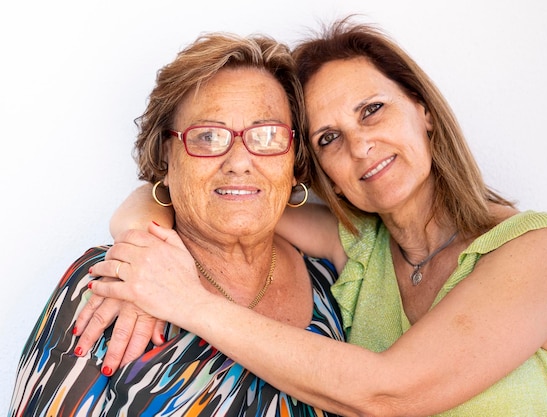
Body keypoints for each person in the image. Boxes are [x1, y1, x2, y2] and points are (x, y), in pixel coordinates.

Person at [78, 17, 547, 416]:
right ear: (315, 170)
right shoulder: (357, 246)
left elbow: (388, 392)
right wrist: (137, 251)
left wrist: (184, 299)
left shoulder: (542, 251)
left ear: (422, 109)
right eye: (329, 138)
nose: (360, 147)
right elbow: (204, 199)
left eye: (372, 110)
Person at [8, 31, 346, 417]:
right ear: (166, 157)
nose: (239, 161)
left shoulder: (333, 285)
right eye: (207, 136)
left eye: (267, 134)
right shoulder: (114, 278)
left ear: (294, 157)